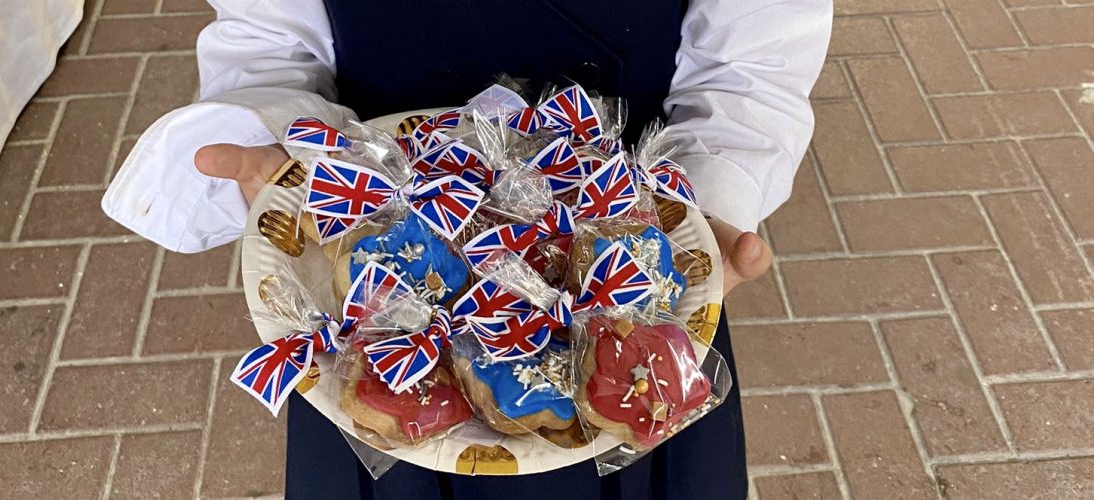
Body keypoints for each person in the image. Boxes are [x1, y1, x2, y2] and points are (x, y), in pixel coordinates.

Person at [103, 0, 832, 498]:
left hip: (627, 284)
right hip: (377, 300)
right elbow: (271, 43)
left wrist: (699, 211)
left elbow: (751, 65)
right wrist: (292, 159)